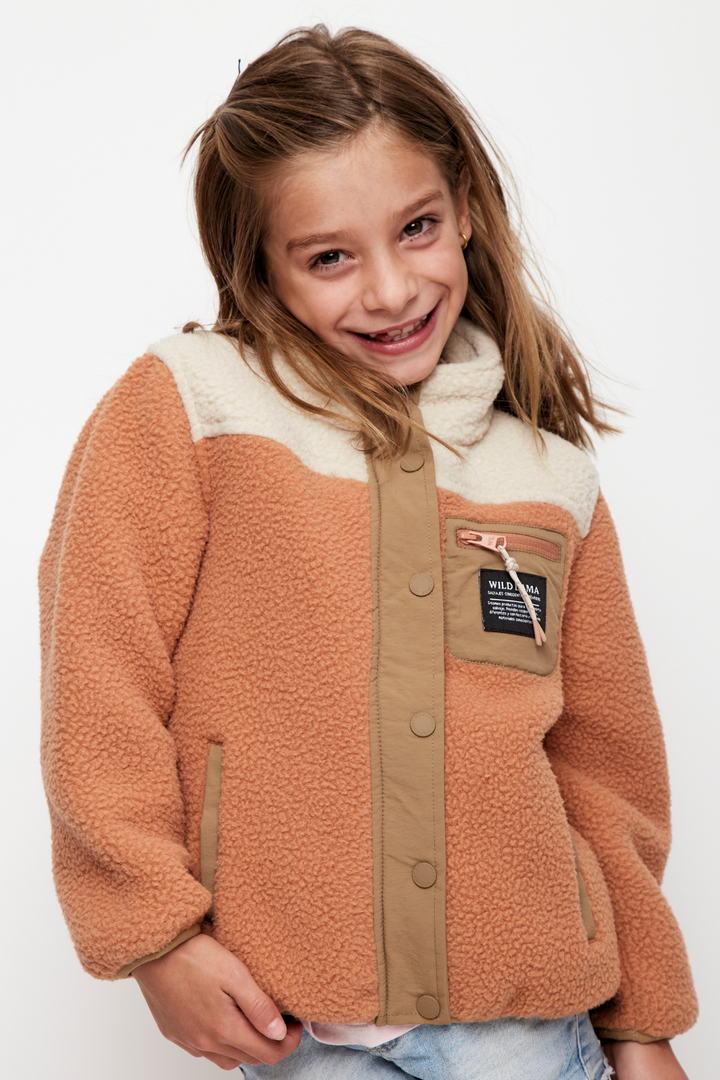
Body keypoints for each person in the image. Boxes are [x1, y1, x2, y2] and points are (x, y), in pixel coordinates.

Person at [39, 24, 697, 1080]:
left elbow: (608, 771)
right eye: (330, 257)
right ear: (261, 264)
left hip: (530, 1028)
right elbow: (99, 681)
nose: (389, 291)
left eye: (417, 228)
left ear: (466, 209)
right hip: (296, 1026)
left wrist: (642, 1023)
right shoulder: (192, 406)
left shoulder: (549, 473)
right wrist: (153, 935)